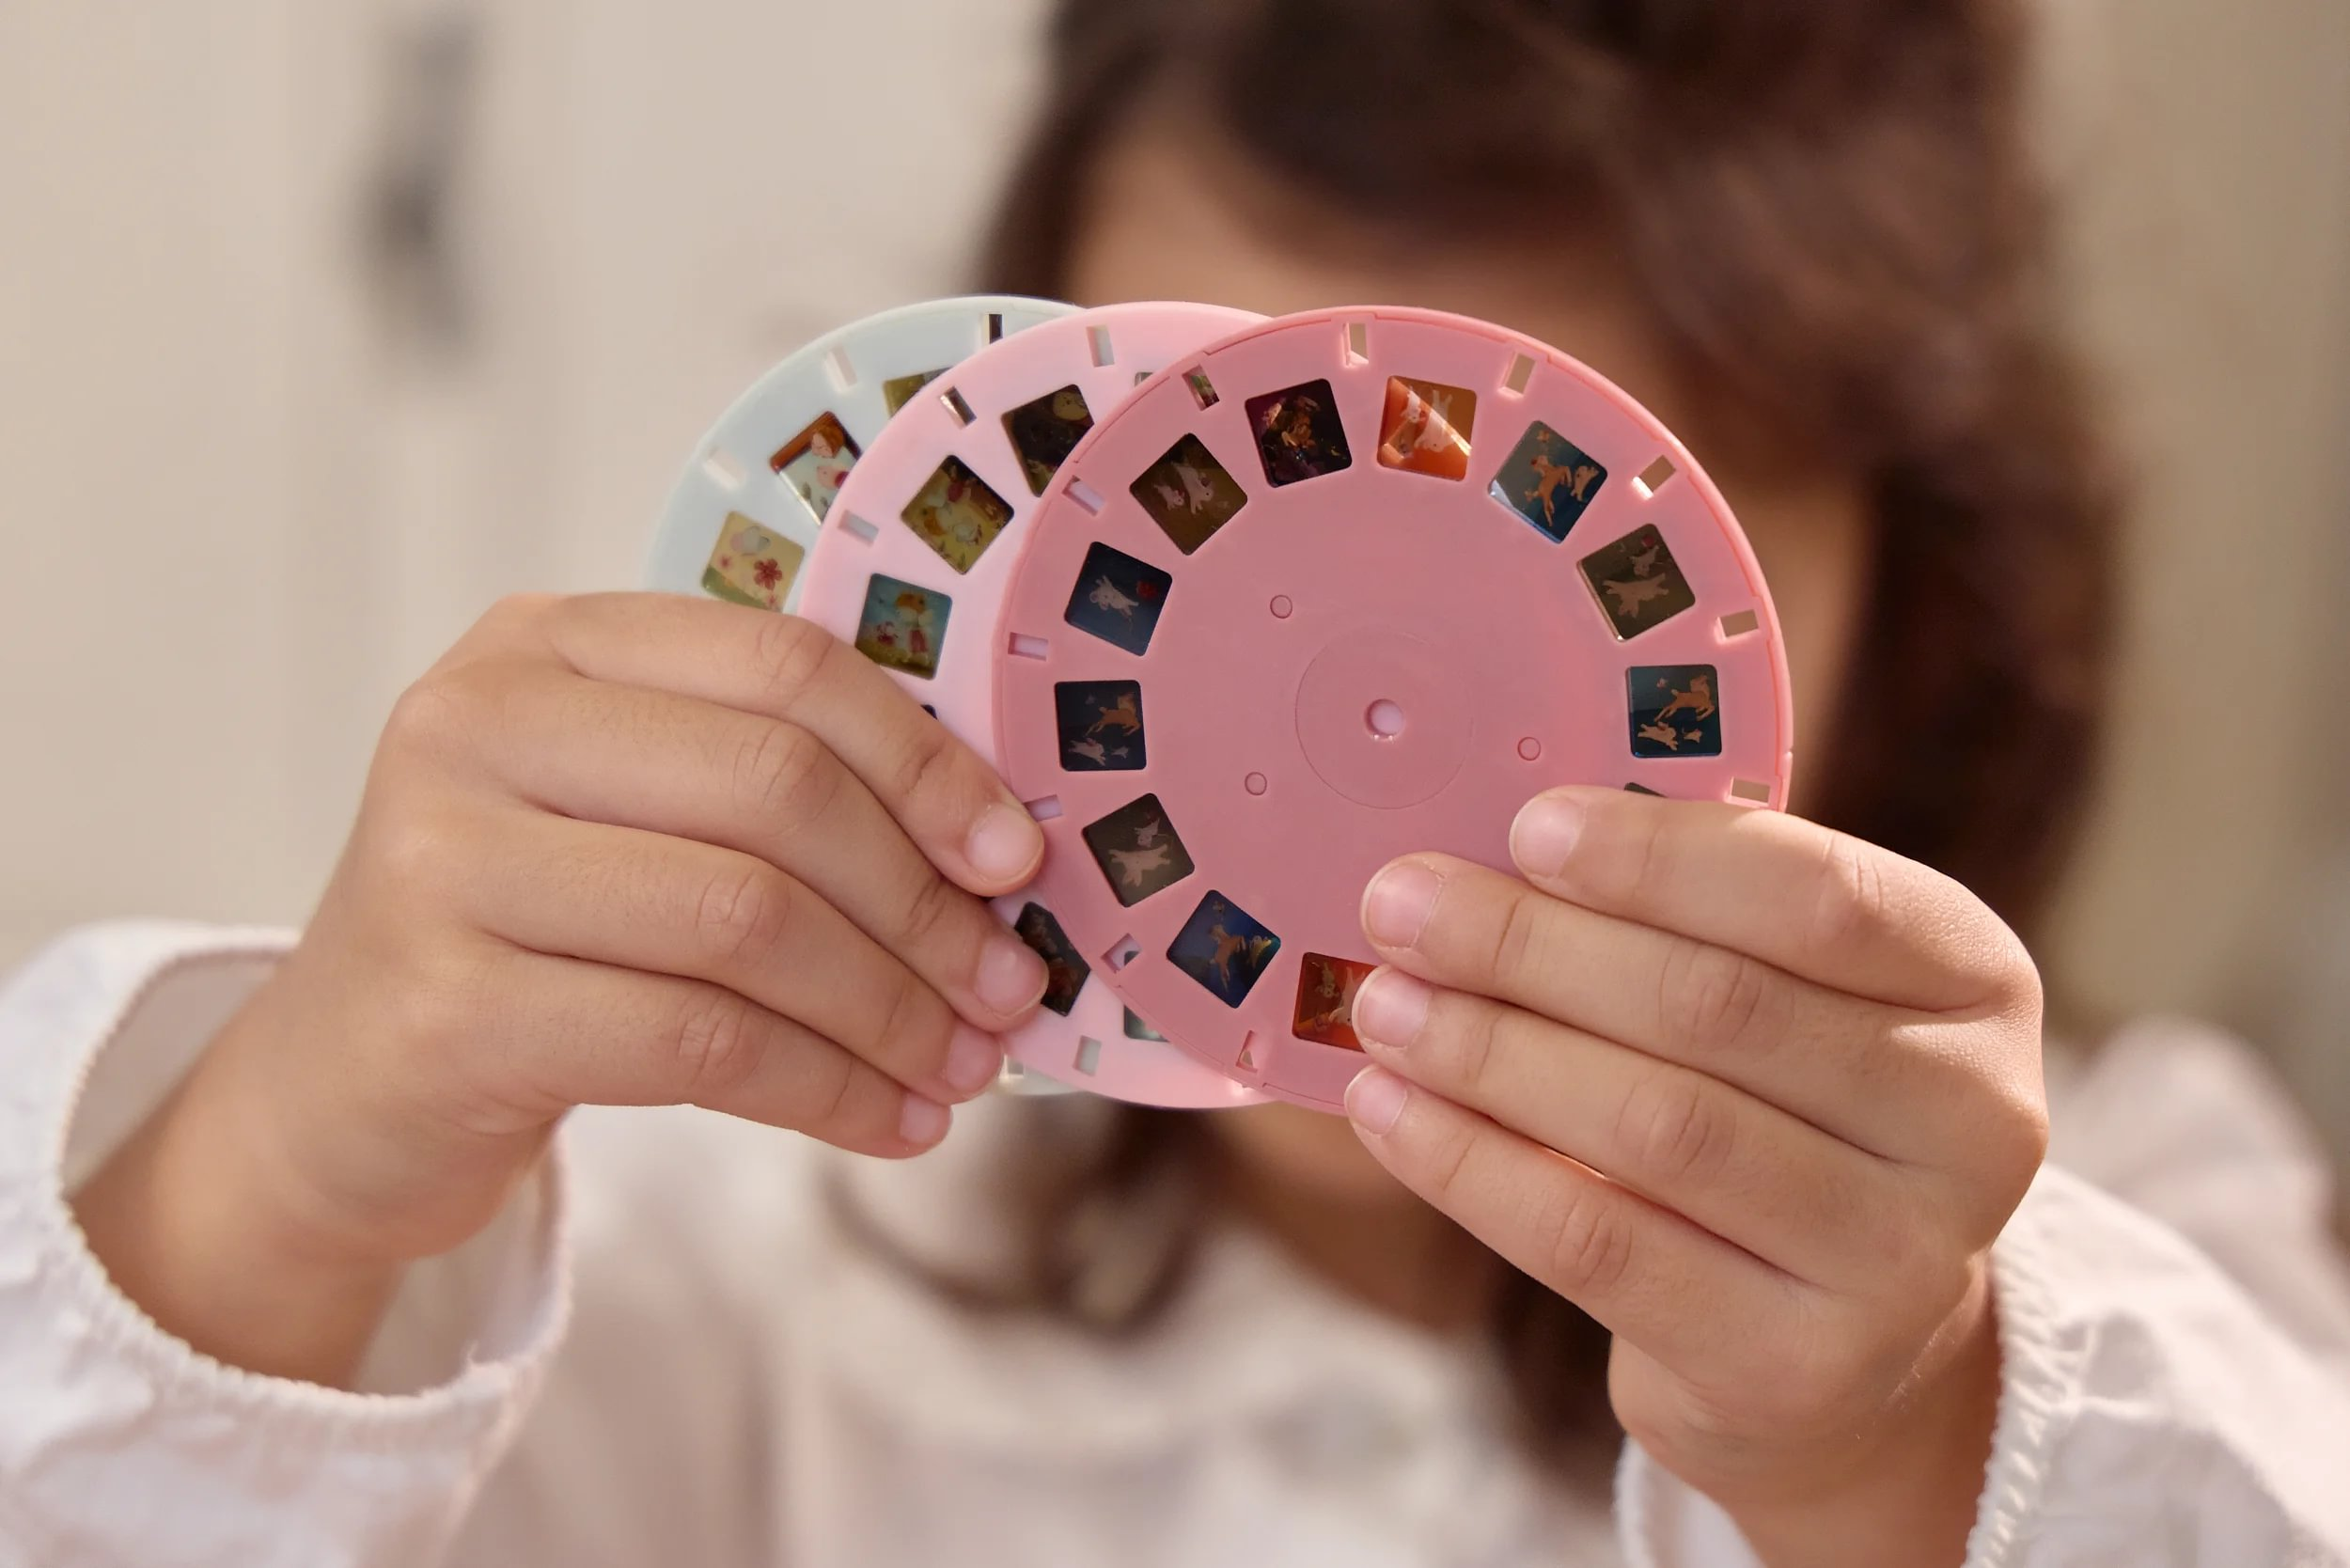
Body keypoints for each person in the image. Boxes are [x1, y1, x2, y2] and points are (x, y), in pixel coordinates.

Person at [8, 2, 2349, 1564]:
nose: (1355, 755)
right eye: (1194, 497)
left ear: (1898, 593)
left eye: (1558, 551)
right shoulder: (715, 1258)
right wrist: (286, 1171)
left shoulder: (2117, 1216)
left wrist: (1910, 1429)